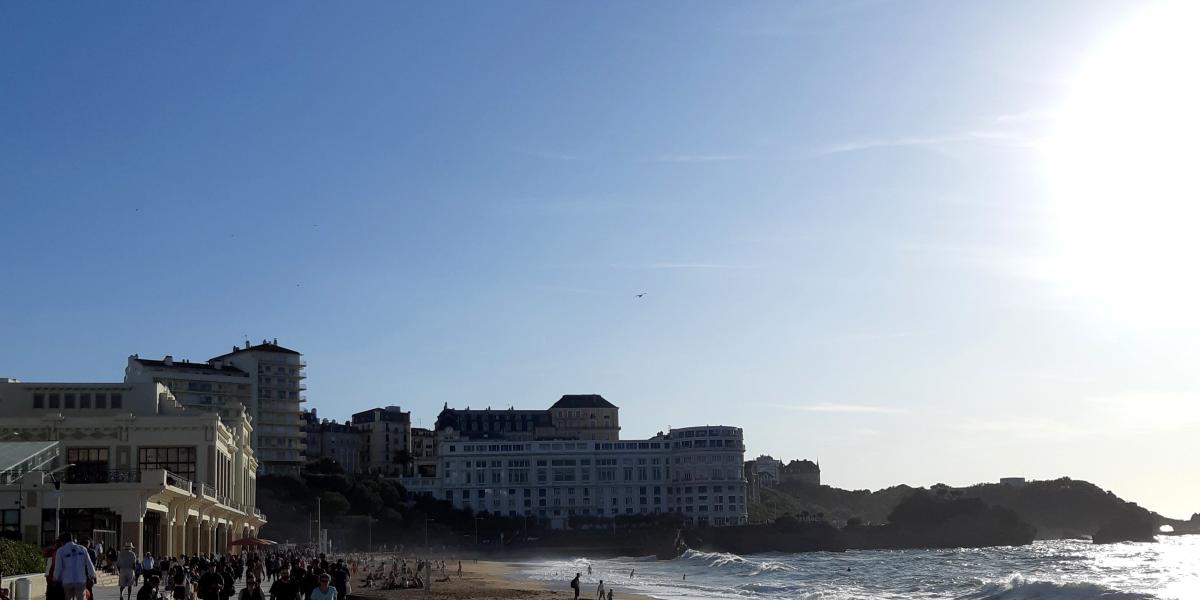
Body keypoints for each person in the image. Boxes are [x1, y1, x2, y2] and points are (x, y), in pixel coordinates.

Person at [53, 533, 97, 600]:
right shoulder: (82, 549)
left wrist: (55, 578)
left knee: (68, 598)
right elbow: (89, 563)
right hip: (80, 580)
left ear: (63, 541)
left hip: (67, 580)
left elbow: (58, 567)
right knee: (81, 598)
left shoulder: (60, 551)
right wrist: (92, 576)